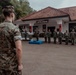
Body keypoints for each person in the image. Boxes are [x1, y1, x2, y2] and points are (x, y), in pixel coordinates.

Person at [0, 5, 23, 75]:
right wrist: (19, 64)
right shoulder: (14, 28)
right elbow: (18, 48)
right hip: (11, 65)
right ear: (11, 14)